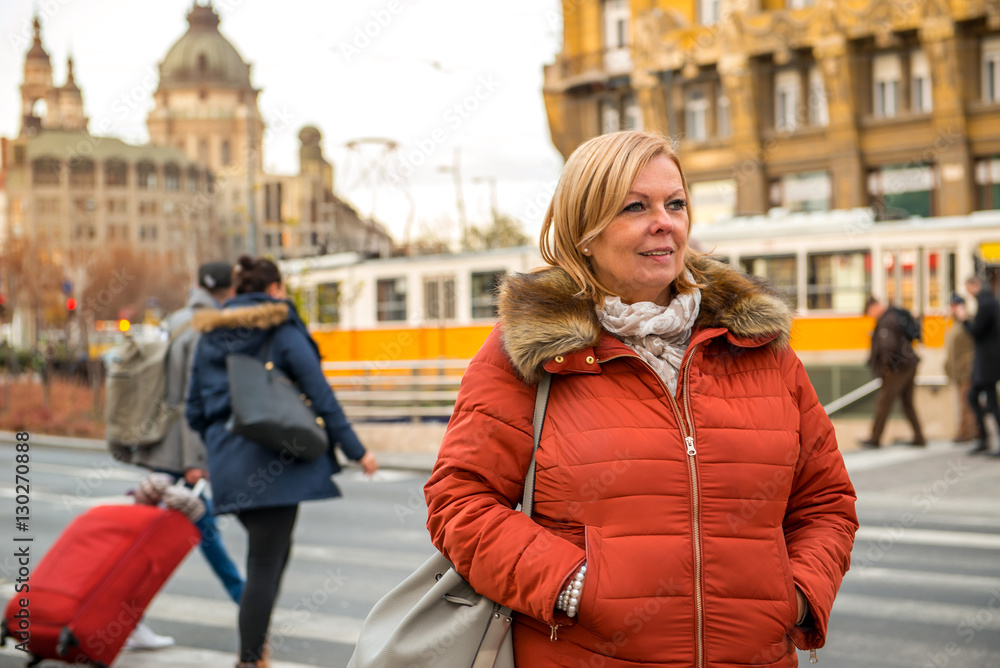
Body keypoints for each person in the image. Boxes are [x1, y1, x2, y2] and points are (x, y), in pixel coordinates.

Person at [423, 130, 858, 667]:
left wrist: (795, 595)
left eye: (675, 204)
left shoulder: (758, 344)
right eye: (635, 206)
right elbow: (460, 502)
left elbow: (826, 502)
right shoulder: (531, 350)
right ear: (585, 232)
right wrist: (574, 586)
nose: (664, 222)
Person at [185, 256, 378, 668]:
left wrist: (221, 445)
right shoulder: (282, 330)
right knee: (265, 564)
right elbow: (321, 395)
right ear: (275, 290)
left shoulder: (209, 335)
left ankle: (256, 652)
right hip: (275, 464)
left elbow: (194, 412)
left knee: (270, 557)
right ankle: (249, 659)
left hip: (228, 466)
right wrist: (357, 450)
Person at [118, 262, 247, 651]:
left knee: (170, 538)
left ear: (196, 285)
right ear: (230, 290)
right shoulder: (209, 325)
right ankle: (251, 608)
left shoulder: (175, 320)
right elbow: (197, 398)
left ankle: (129, 618)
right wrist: (196, 461)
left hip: (164, 445)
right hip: (185, 452)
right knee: (200, 534)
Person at [859, 297, 926, 448]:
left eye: (870, 312)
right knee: (907, 403)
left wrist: (886, 366)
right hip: (909, 364)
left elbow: (888, 346)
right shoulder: (893, 315)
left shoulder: (886, 320)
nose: (871, 315)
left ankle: (875, 439)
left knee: (884, 402)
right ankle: (919, 437)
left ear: (874, 307)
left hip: (897, 368)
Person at [951, 276, 1000, 455]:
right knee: (973, 397)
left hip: (989, 362)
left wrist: (964, 319)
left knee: (991, 402)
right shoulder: (987, 301)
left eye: (968, 288)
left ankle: (985, 439)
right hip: (987, 362)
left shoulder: (986, 303)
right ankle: (982, 438)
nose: (968, 292)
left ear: (974, 285)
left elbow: (976, 331)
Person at [944, 295, 978, 444]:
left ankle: (966, 432)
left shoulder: (968, 322)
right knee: (964, 402)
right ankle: (975, 430)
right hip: (957, 371)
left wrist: (966, 363)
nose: (952, 309)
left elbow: (973, 346)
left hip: (966, 370)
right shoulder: (954, 324)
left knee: (966, 403)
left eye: (955, 306)